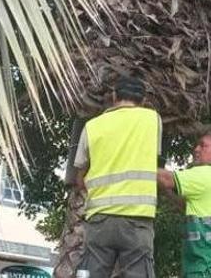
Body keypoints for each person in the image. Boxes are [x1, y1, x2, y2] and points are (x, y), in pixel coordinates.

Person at [74, 75, 162, 278]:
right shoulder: (152, 119)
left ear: (114, 96)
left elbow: (81, 178)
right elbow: (153, 156)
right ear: (143, 100)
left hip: (100, 221)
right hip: (137, 221)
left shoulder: (92, 126)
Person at [157, 125, 211, 278]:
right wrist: (167, 192)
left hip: (209, 263)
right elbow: (189, 205)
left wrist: (134, 163)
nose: (196, 149)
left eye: (203, 145)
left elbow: (165, 178)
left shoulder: (205, 174)